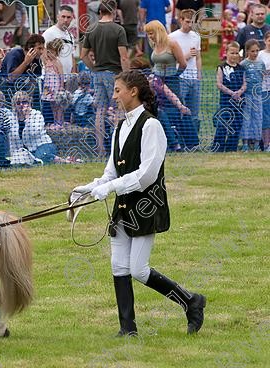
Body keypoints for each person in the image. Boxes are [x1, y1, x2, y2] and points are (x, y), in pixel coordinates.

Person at [70, 70, 206, 337]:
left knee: (138, 269)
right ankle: (127, 329)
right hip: (123, 207)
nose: (114, 95)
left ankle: (191, 301)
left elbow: (147, 175)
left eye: (118, 90)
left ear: (133, 91)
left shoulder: (151, 125)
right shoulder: (120, 127)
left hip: (146, 205)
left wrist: (110, 187)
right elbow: (111, 172)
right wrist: (90, 187)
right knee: (118, 266)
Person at [80, 0, 130, 156]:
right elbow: (123, 57)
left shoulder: (91, 29)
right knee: (118, 111)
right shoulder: (118, 30)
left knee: (100, 112)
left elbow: (83, 55)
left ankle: (100, 149)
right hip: (114, 75)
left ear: (100, 13)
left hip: (98, 75)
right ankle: (118, 148)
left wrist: (94, 69)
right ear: (114, 12)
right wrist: (127, 76)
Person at [146, 20, 199, 150]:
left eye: (151, 33)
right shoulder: (154, 45)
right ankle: (171, 141)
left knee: (179, 108)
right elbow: (154, 63)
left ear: (159, 31)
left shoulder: (172, 44)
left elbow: (183, 64)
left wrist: (175, 75)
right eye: (148, 34)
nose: (150, 36)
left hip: (172, 79)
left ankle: (191, 142)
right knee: (161, 109)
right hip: (157, 80)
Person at [9, 90, 75, 164]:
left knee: (42, 156)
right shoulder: (11, 118)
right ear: (14, 105)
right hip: (27, 150)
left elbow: (34, 132)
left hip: (43, 145)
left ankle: (66, 162)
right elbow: (12, 140)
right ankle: (65, 160)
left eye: (24, 102)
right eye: (18, 103)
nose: (21, 105)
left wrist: (27, 118)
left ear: (29, 103)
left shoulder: (37, 114)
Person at [169, 10, 202, 135]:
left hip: (194, 77)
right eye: (188, 21)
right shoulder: (172, 37)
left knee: (194, 110)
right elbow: (169, 59)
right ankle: (181, 138)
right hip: (179, 77)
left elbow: (198, 57)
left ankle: (193, 140)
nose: (190, 25)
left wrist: (199, 74)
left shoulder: (196, 36)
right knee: (181, 108)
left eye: (193, 22)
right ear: (181, 20)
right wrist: (185, 56)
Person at [213, 42, 246, 152]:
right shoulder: (221, 67)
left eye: (236, 53)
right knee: (223, 125)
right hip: (226, 102)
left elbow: (245, 84)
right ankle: (218, 147)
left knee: (236, 125)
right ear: (226, 53)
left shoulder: (241, 68)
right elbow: (219, 84)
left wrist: (239, 92)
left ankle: (231, 148)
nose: (234, 55)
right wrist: (231, 93)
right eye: (232, 53)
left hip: (239, 102)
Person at [240, 39, 264, 151]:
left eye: (257, 51)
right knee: (247, 118)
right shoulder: (243, 64)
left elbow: (262, 77)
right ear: (247, 51)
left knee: (258, 118)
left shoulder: (261, 63)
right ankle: (245, 142)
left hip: (258, 95)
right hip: (247, 95)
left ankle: (256, 142)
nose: (255, 53)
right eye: (252, 51)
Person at [42, 5, 76, 76]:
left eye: (68, 17)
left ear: (72, 18)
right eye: (63, 16)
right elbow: (43, 55)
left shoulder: (70, 36)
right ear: (58, 17)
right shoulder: (49, 33)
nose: (66, 20)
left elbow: (72, 57)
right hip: (53, 79)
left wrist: (73, 73)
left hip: (68, 77)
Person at [41, 39, 65, 126]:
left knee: (58, 105)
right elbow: (43, 54)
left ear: (57, 53)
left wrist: (61, 87)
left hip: (56, 87)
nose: (50, 54)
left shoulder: (57, 62)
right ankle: (55, 122)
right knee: (52, 105)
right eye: (49, 52)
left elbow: (61, 75)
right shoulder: (47, 61)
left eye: (52, 52)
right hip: (48, 87)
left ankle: (59, 122)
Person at [257, 31, 270, 151]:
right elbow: (253, 68)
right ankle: (266, 144)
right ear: (265, 41)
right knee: (265, 117)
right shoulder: (260, 54)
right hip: (264, 89)